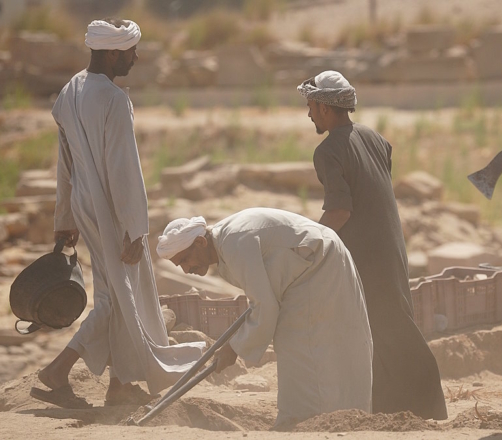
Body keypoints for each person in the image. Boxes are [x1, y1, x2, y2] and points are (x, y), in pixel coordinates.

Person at [31, 19, 205, 409]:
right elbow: (124, 171)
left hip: (84, 206)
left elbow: (65, 165)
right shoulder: (112, 98)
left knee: (118, 295)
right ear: (112, 53)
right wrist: (135, 229)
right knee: (117, 297)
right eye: (131, 51)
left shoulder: (69, 91)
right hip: (111, 213)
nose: (136, 57)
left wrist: (65, 220)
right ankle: (58, 372)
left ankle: (121, 383)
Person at [297, 71, 448, 420]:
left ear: (323, 107)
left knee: (392, 330)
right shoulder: (376, 138)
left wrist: (306, 244)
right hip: (391, 249)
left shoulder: (328, 151)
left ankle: (430, 407)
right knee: (378, 333)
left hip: (366, 258)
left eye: (310, 106)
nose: (308, 115)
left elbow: (339, 211)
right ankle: (389, 409)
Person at [156, 208, 373, 428]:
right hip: (309, 268)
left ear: (201, 243)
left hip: (319, 264)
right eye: (179, 265)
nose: (185, 269)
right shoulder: (225, 243)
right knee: (302, 344)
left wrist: (234, 348)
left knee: (300, 342)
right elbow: (262, 299)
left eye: (185, 259)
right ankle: (310, 419)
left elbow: (265, 308)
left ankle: (311, 422)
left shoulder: (233, 243)